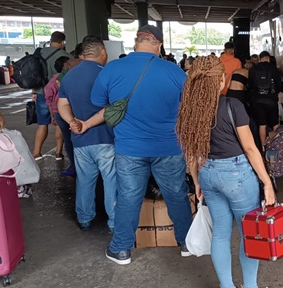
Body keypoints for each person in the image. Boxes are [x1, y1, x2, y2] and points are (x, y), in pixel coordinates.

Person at [91, 25, 193, 265]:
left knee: (128, 197)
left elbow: (99, 102)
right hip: (168, 147)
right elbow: (188, 109)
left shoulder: (112, 68)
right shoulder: (175, 72)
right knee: (176, 195)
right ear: (158, 45)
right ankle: (187, 242)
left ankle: (121, 249)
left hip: (129, 149)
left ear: (136, 42)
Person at [175, 56, 275, 288]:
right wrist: (267, 183)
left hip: (208, 172)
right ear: (222, 80)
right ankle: (250, 286)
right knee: (248, 233)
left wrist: (197, 180)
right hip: (237, 175)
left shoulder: (190, 111)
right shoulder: (232, 105)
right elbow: (250, 148)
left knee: (220, 233)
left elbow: (191, 151)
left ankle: (227, 286)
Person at [57, 36, 116, 233]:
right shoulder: (107, 74)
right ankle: (114, 221)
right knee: (111, 180)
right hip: (106, 138)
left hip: (80, 140)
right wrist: (88, 124)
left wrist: (72, 122)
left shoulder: (69, 76)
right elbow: (112, 108)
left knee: (84, 180)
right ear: (103, 53)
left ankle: (84, 218)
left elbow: (62, 104)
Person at [31, 31, 73, 161]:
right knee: (59, 123)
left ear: (51, 40)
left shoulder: (39, 54)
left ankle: (36, 152)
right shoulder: (66, 56)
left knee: (42, 124)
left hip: (41, 92)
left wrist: (34, 91)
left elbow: (34, 72)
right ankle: (58, 152)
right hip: (58, 95)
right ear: (62, 42)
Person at [44, 56, 75, 177]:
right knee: (75, 137)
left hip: (58, 112)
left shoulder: (52, 81)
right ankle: (77, 164)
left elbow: (49, 99)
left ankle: (73, 164)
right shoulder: (69, 78)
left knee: (67, 138)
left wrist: (52, 115)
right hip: (70, 110)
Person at [248, 51, 282, 147]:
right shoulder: (273, 68)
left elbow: (250, 85)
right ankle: (277, 146)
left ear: (260, 58)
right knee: (275, 124)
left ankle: (263, 147)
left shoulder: (253, 69)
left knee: (262, 125)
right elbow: (279, 85)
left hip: (258, 101)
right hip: (271, 100)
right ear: (268, 58)